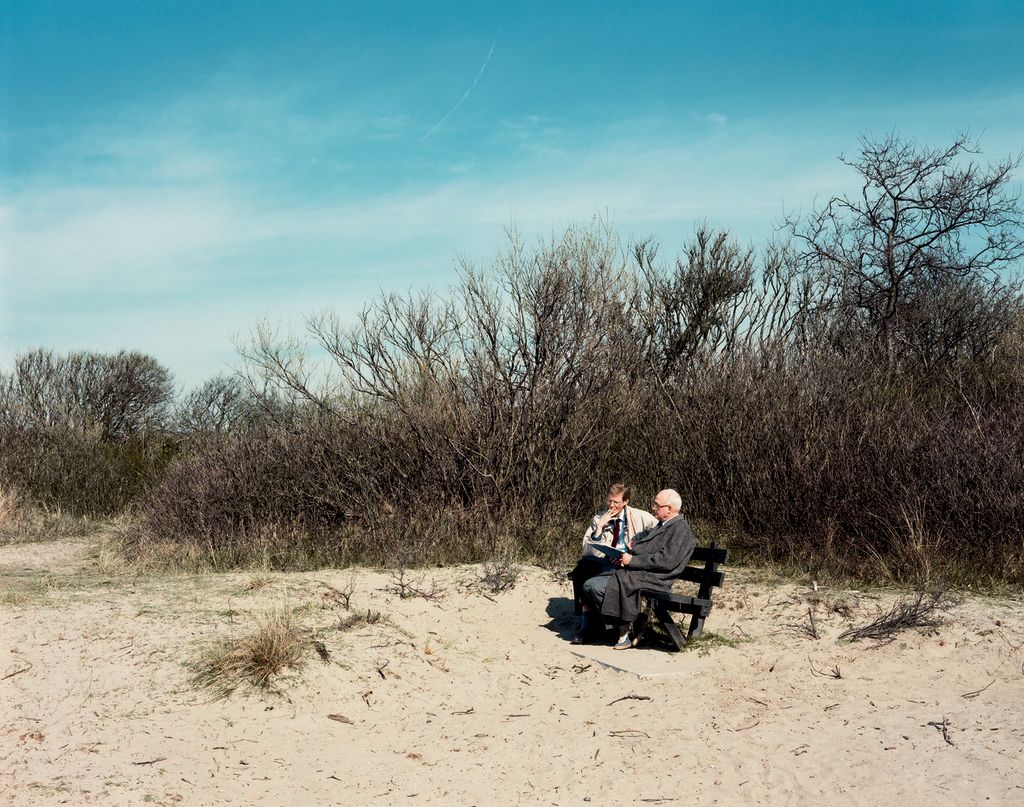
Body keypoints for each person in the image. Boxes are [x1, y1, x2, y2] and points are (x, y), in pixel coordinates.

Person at [581, 488, 695, 650]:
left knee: (595, 587)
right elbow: (644, 541)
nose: (653, 508)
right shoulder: (662, 526)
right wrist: (628, 549)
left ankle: (626, 628)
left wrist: (632, 560)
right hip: (640, 573)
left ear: (669, 509)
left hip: (656, 578)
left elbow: (666, 561)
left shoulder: (680, 530)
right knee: (589, 583)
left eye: (657, 505)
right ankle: (629, 625)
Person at [569, 483, 657, 644]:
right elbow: (587, 550)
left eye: (616, 502)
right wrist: (600, 528)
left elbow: (660, 530)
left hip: (627, 563)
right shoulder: (599, 518)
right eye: (609, 501)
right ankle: (587, 626)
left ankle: (611, 625)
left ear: (625, 501)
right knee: (581, 570)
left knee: (591, 580)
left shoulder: (640, 517)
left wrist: (637, 548)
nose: (612, 505)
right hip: (605, 562)